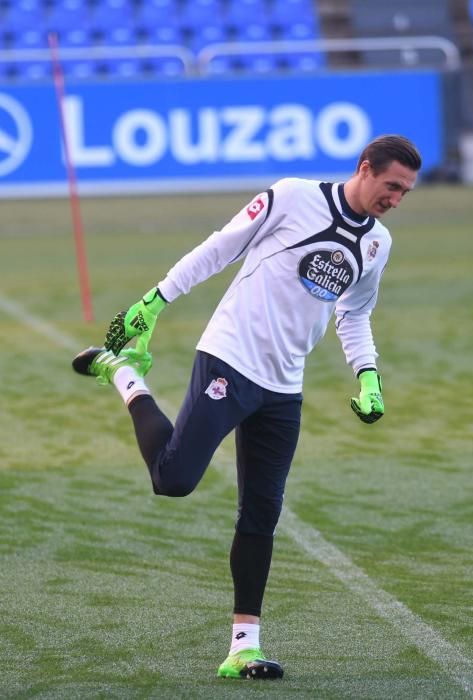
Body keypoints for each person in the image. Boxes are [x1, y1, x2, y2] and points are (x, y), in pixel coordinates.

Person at [73, 134, 422, 680]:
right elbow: (221, 246)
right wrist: (156, 299)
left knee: (263, 512)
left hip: (285, 387)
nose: (396, 199)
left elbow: (353, 314)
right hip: (229, 359)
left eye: (405, 192)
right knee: (174, 479)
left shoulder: (377, 243)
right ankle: (123, 373)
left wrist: (368, 375)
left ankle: (244, 647)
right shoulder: (292, 196)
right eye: (392, 186)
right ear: (365, 168)